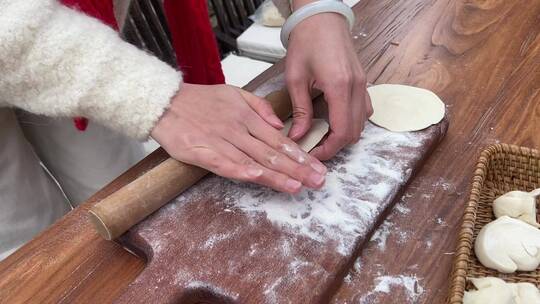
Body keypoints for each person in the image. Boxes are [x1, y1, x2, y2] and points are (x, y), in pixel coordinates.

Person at [0, 0, 372, 260]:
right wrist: (147, 94)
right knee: (28, 244)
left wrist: (314, 8)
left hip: (76, 24)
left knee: (118, 191)